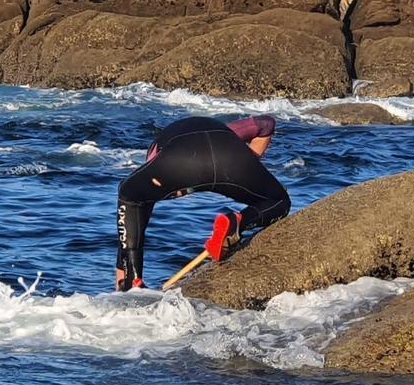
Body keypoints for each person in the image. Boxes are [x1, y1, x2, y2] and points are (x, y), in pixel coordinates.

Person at [115, 114, 290, 291]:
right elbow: (266, 124)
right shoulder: (227, 130)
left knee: (130, 194)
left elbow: (135, 214)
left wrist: (124, 276)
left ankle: (132, 282)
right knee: (279, 202)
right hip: (231, 159)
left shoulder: (155, 154)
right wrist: (247, 166)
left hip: (179, 162)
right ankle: (238, 222)